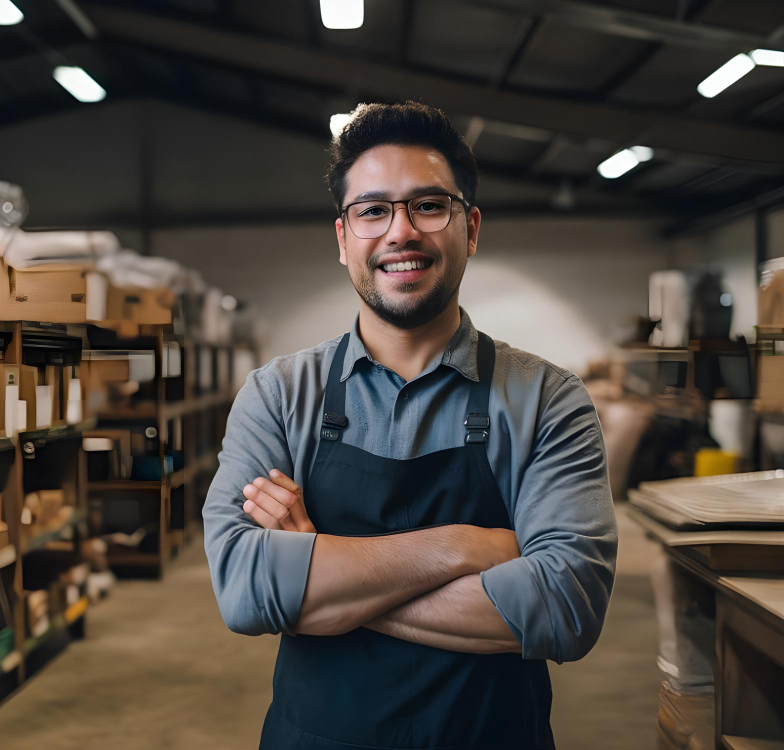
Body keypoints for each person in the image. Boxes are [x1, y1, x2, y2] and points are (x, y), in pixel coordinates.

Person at [202, 100, 618, 750]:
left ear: (471, 228)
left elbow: (567, 607)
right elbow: (244, 589)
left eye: (429, 205)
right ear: (344, 239)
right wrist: (464, 548)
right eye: (373, 210)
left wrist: (320, 581)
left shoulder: (549, 400)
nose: (401, 232)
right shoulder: (279, 395)